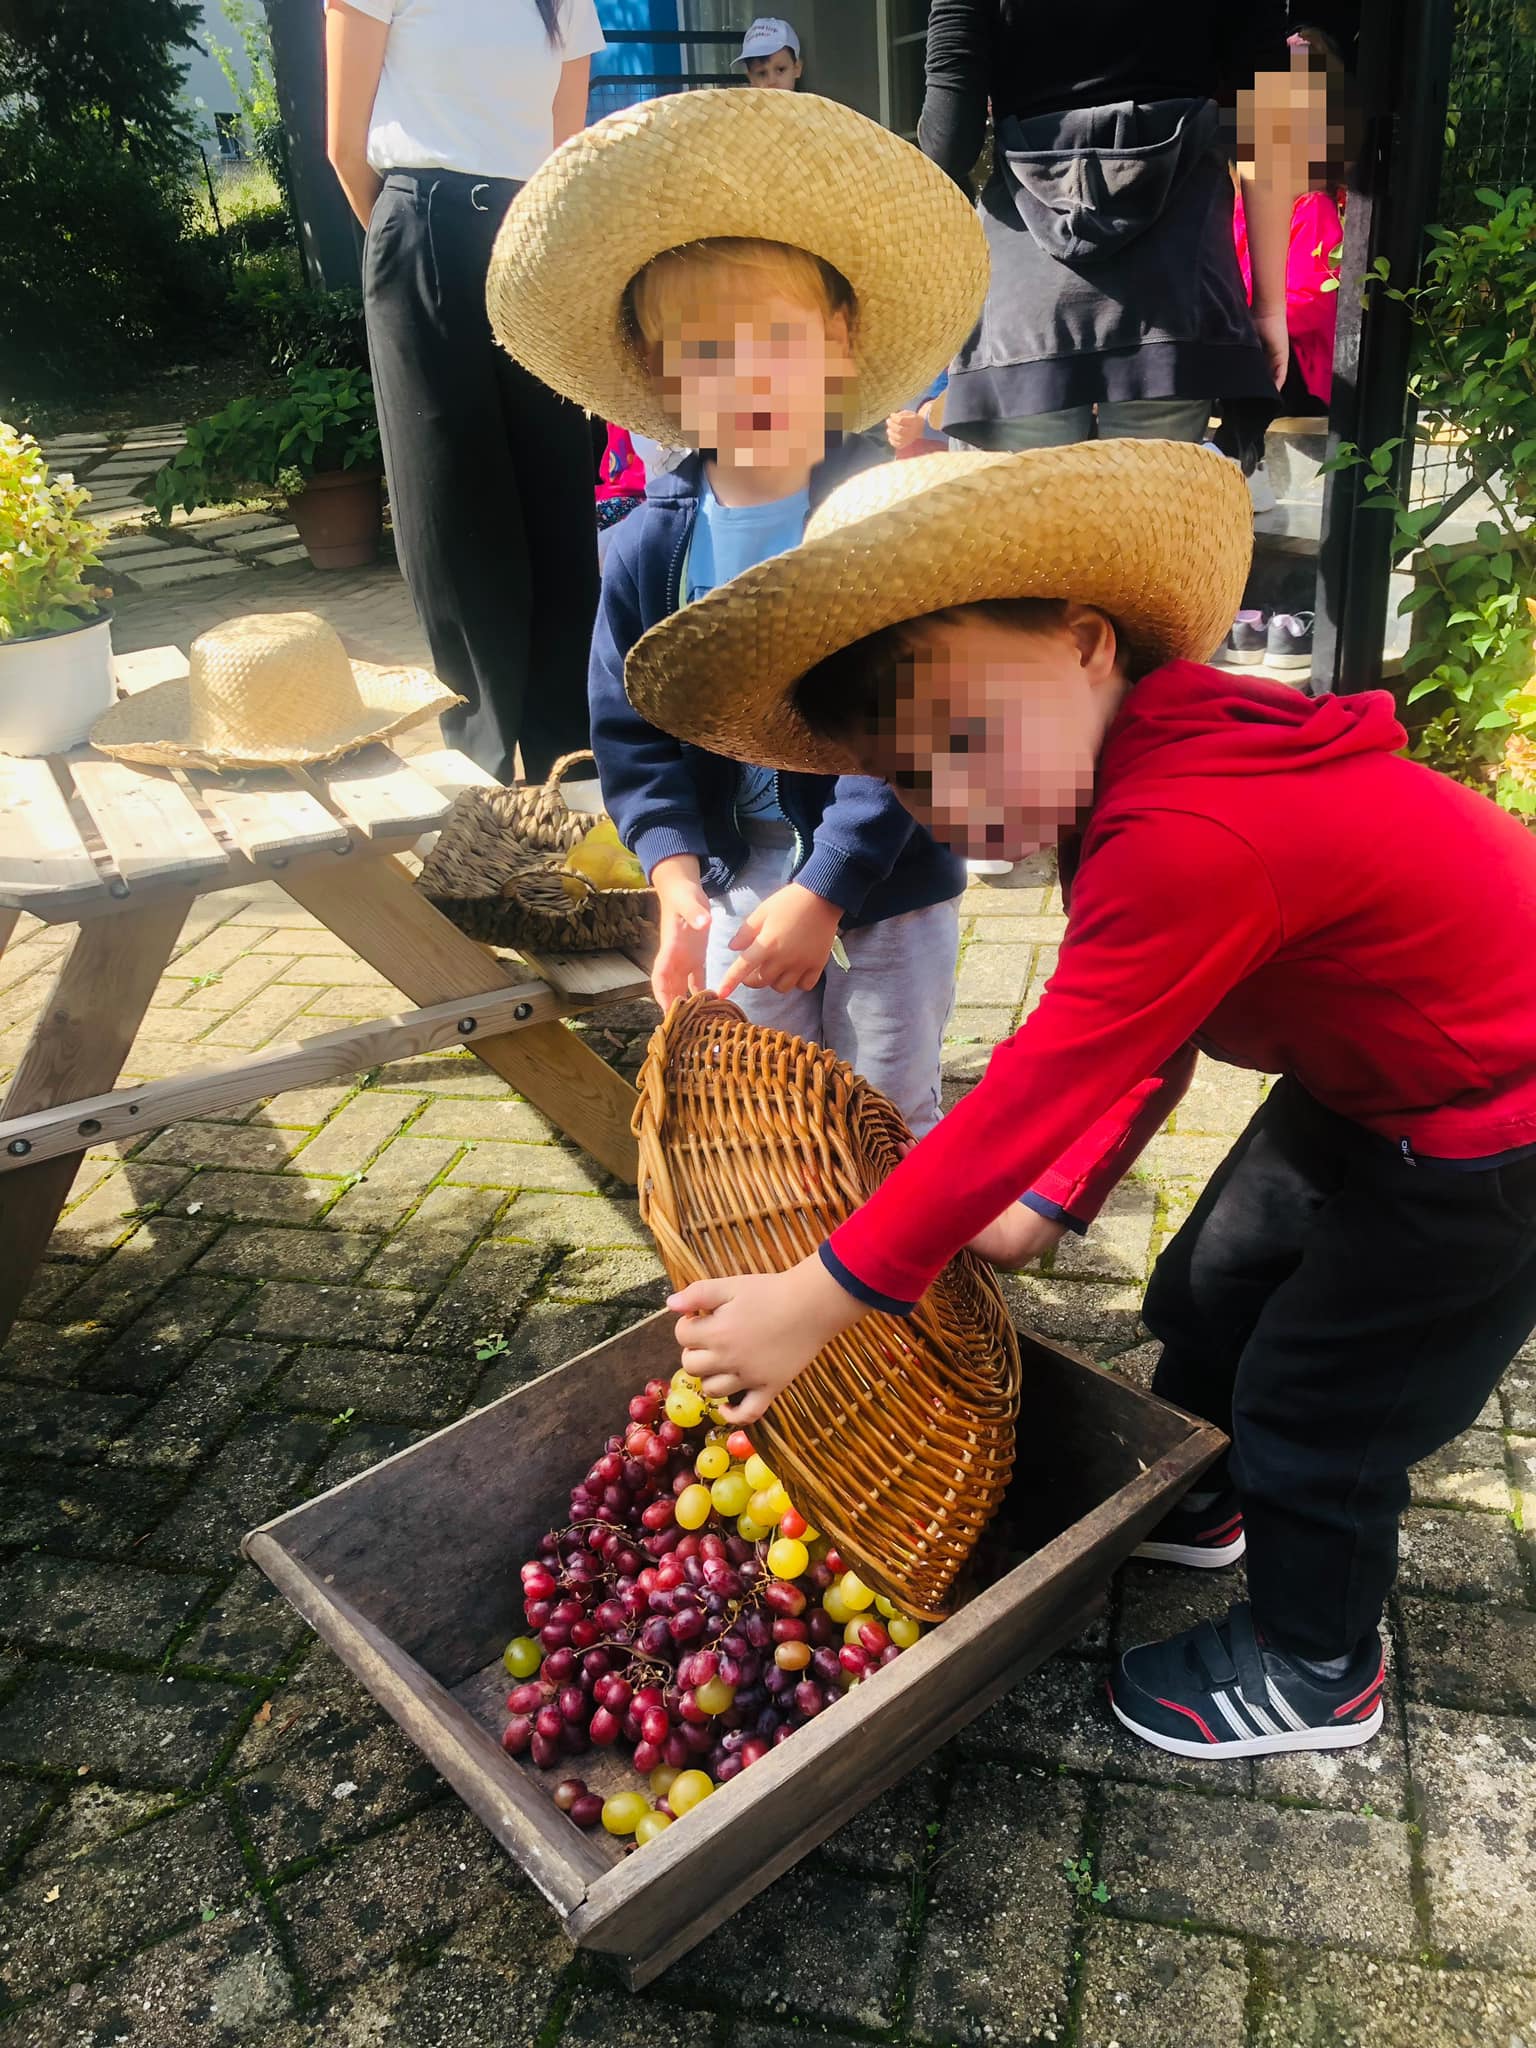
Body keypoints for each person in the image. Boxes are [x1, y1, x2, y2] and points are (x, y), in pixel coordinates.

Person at [622, 438, 1536, 1762]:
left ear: (1087, 641)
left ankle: (1318, 1668)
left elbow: (1048, 1073)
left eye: (968, 738)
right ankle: (1217, 1487)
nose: (954, 800)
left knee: (1324, 1402)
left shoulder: (1183, 829)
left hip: (1491, 1131)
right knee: (1212, 1288)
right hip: (1369, 1084)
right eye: (913, 777)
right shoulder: (1133, 771)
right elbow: (1141, 1034)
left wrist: (822, 1295)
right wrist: (1046, 1200)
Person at [482, 88, 988, 1131]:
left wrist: (829, 887)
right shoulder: (647, 546)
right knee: (769, 1098)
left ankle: (900, 1235)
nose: (746, 373)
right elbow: (631, 728)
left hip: (885, 875)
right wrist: (673, 874)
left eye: (776, 337)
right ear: (662, 375)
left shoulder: (879, 515)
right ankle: (799, 1228)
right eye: (707, 351)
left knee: (888, 1097)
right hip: (738, 868)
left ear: (840, 339)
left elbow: (922, 719)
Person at [324, 0, 605, 782]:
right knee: (449, 507)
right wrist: (418, 243)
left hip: (533, 241)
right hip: (423, 230)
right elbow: (345, 147)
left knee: (556, 500)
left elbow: (563, 156)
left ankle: (571, 769)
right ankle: (480, 764)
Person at [918, 0, 1299, 451]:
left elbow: (949, 142)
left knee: (1020, 494)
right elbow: (1268, 127)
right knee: (1148, 494)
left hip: (1025, 296)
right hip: (1172, 287)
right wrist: (1269, 307)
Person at [734, 16, 803, 91]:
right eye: (762, 73)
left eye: (780, 69)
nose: (771, 82)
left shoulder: (812, 99)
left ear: (797, 68)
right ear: (750, 78)